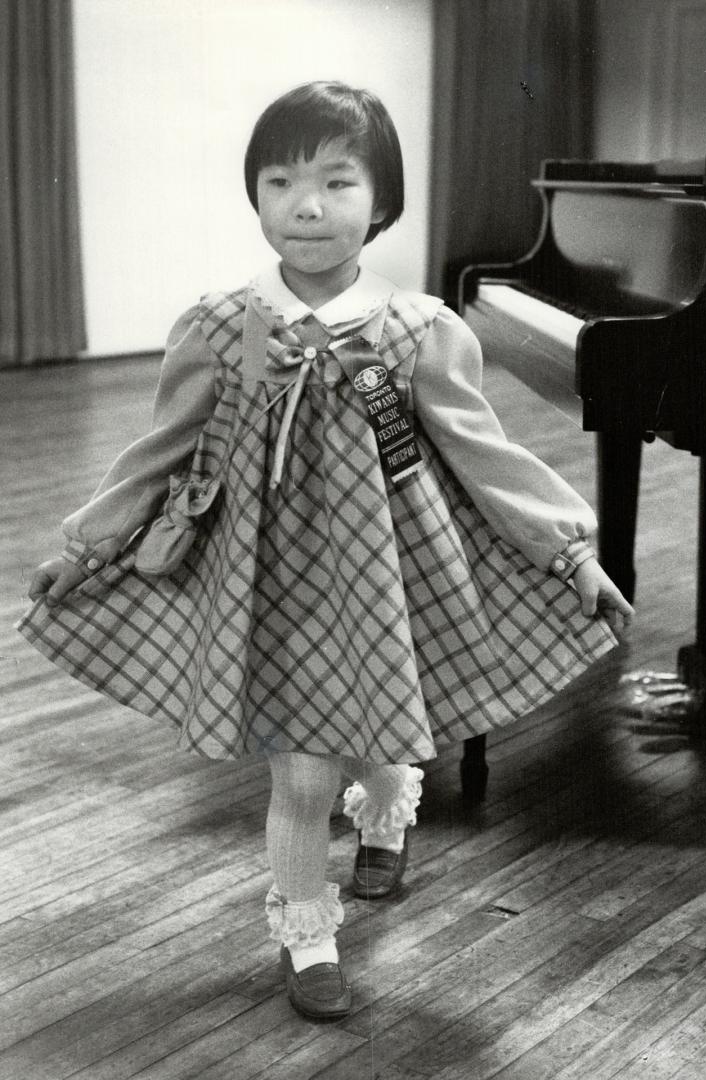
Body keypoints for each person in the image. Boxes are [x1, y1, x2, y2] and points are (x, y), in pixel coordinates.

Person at [19, 81, 633, 1020]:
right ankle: (307, 930)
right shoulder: (224, 327)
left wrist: (568, 553)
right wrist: (88, 545)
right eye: (281, 181)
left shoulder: (420, 330)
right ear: (256, 197)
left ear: (380, 202)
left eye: (338, 182)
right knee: (303, 768)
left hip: (389, 574)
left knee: (382, 724)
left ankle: (388, 810)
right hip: (265, 581)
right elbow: (160, 451)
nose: (307, 205)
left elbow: (487, 455)